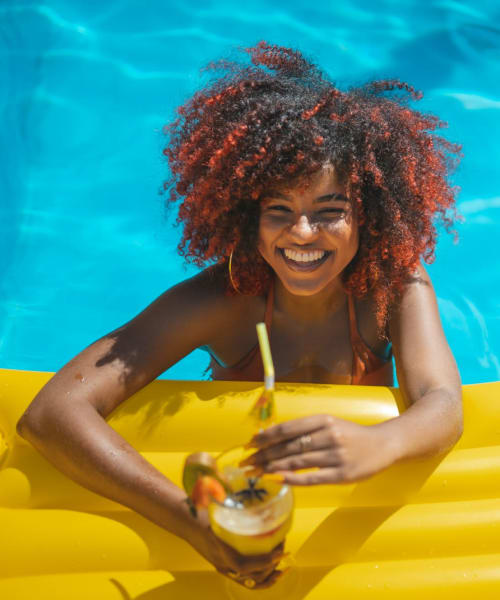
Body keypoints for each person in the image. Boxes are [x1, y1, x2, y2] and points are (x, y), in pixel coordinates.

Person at [16, 42, 463, 590]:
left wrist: (381, 441)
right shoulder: (221, 301)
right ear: (247, 217)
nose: (301, 234)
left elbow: (442, 403)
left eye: (330, 213)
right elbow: (52, 413)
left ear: (367, 219)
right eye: (279, 211)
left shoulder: (393, 285)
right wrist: (189, 519)